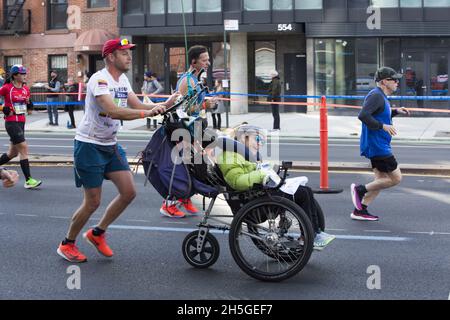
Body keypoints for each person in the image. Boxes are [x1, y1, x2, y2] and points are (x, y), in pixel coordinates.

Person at [57, 38, 179, 263]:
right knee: (92, 202)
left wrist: (167, 103)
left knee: (128, 192)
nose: (129, 57)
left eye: (129, 53)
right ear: (111, 56)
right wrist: (147, 115)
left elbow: (137, 105)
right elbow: (113, 111)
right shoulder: (99, 80)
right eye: (124, 53)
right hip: (89, 146)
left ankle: (97, 233)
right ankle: (67, 243)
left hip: (110, 145)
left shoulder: (122, 79)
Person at [217, 125, 335, 250]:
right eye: (256, 139)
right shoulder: (230, 156)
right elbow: (236, 181)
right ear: (243, 138)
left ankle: (314, 232)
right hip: (252, 202)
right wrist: (262, 174)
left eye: (261, 141)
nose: (260, 144)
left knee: (306, 190)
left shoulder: (245, 155)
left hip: (257, 194)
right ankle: (309, 236)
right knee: (302, 194)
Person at [159, 45, 218, 218]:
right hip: (185, 129)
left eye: (208, 59)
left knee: (199, 163)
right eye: (204, 59)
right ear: (194, 61)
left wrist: (207, 103)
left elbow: (195, 107)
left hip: (196, 127)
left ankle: (185, 197)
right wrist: (206, 104)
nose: (208, 62)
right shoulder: (187, 81)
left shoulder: (196, 78)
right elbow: (184, 109)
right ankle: (169, 203)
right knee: (188, 164)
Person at [350, 67, 410, 221]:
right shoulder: (376, 95)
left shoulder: (380, 96)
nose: (397, 82)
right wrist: (383, 126)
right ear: (384, 81)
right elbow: (363, 115)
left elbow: (379, 112)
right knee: (396, 178)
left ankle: (360, 210)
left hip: (377, 143)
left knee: (380, 180)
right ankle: (359, 189)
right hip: (378, 146)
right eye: (394, 79)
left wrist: (396, 111)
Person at [0, 65, 42, 189]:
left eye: (25, 73)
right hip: (11, 122)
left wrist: (30, 105)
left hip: (21, 122)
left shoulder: (26, 89)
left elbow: (29, 110)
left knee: (12, 153)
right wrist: (3, 108)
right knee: (23, 148)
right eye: (22, 74)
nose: (24, 75)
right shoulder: (7, 88)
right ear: (15, 75)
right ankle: (29, 180)